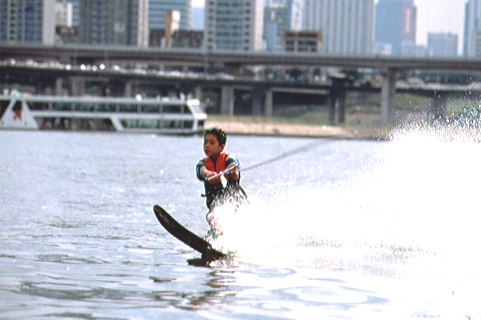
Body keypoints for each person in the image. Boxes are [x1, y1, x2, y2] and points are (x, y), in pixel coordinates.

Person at [196, 127, 247, 232]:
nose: (207, 145)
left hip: (233, 202)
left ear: (221, 147)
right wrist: (208, 173)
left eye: (212, 143)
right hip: (215, 204)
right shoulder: (203, 163)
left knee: (218, 214)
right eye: (205, 142)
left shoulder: (229, 159)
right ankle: (219, 238)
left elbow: (236, 175)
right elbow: (201, 171)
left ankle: (223, 237)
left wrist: (233, 170)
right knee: (211, 217)